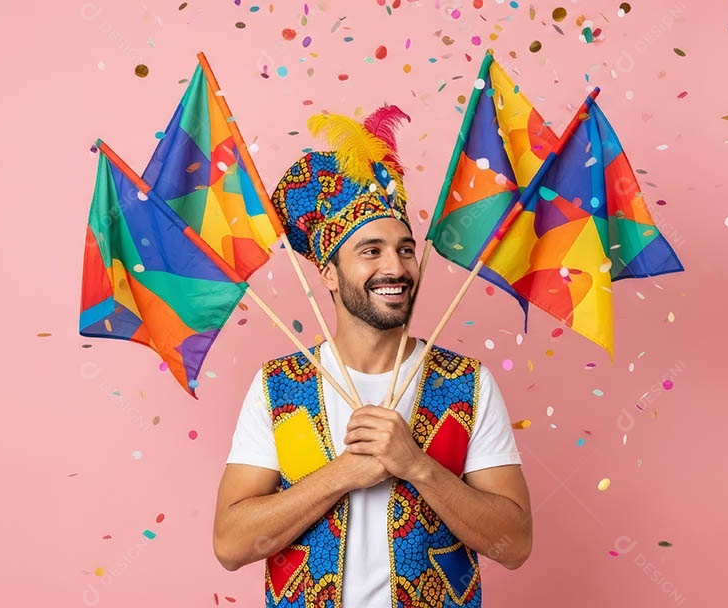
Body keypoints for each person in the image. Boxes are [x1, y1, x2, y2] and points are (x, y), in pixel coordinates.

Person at [213, 105, 531, 608]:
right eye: (371, 251)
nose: (396, 266)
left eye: (406, 249)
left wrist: (416, 466)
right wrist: (344, 473)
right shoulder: (279, 386)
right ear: (330, 274)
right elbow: (230, 545)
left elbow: (514, 545)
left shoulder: (466, 382)